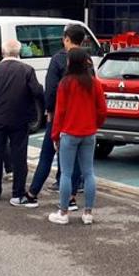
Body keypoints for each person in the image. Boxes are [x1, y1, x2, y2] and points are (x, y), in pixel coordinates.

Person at [24, 25, 85, 209]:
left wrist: (49, 111)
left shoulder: (58, 59)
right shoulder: (87, 60)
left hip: (60, 114)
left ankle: (33, 193)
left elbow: (50, 90)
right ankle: (72, 196)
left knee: (47, 154)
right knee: (75, 159)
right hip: (80, 117)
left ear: (66, 39)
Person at [47, 48, 107, 225]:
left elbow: (60, 112)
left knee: (66, 173)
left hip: (69, 133)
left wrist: (55, 135)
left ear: (70, 62)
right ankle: (88, 213)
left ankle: (63, 212)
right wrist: (96, 124)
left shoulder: (65, 83)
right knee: (88, 173)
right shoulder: (94, 83)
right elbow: (102, 109)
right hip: (89, 132)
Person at [0, 38, 43, 203]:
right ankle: (18, 192)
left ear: (3, 52)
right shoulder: (27, 70)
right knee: (19, 156)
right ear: (19, 52)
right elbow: (37, 91)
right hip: (20, 118)